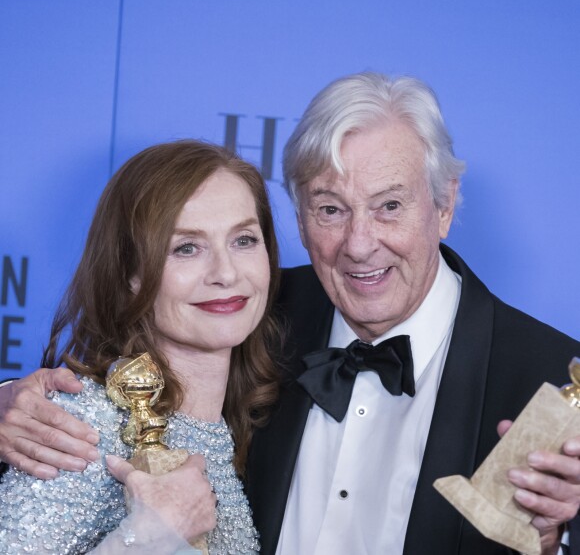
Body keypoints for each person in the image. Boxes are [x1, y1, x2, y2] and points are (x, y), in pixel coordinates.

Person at [1, 73, 580, 555]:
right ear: (298, 219)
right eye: (330, 209)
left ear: (445, 204)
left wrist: (554, 540)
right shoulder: (249, 318)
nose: (359, 244)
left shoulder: (550, 379)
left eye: (390, 206)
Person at [0, 139, 282, 554]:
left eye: (244, 240)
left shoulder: (240, 428)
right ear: (128, 273)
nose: (226, 272)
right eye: (186, 248)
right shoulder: (82, 427)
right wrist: (154, 535)